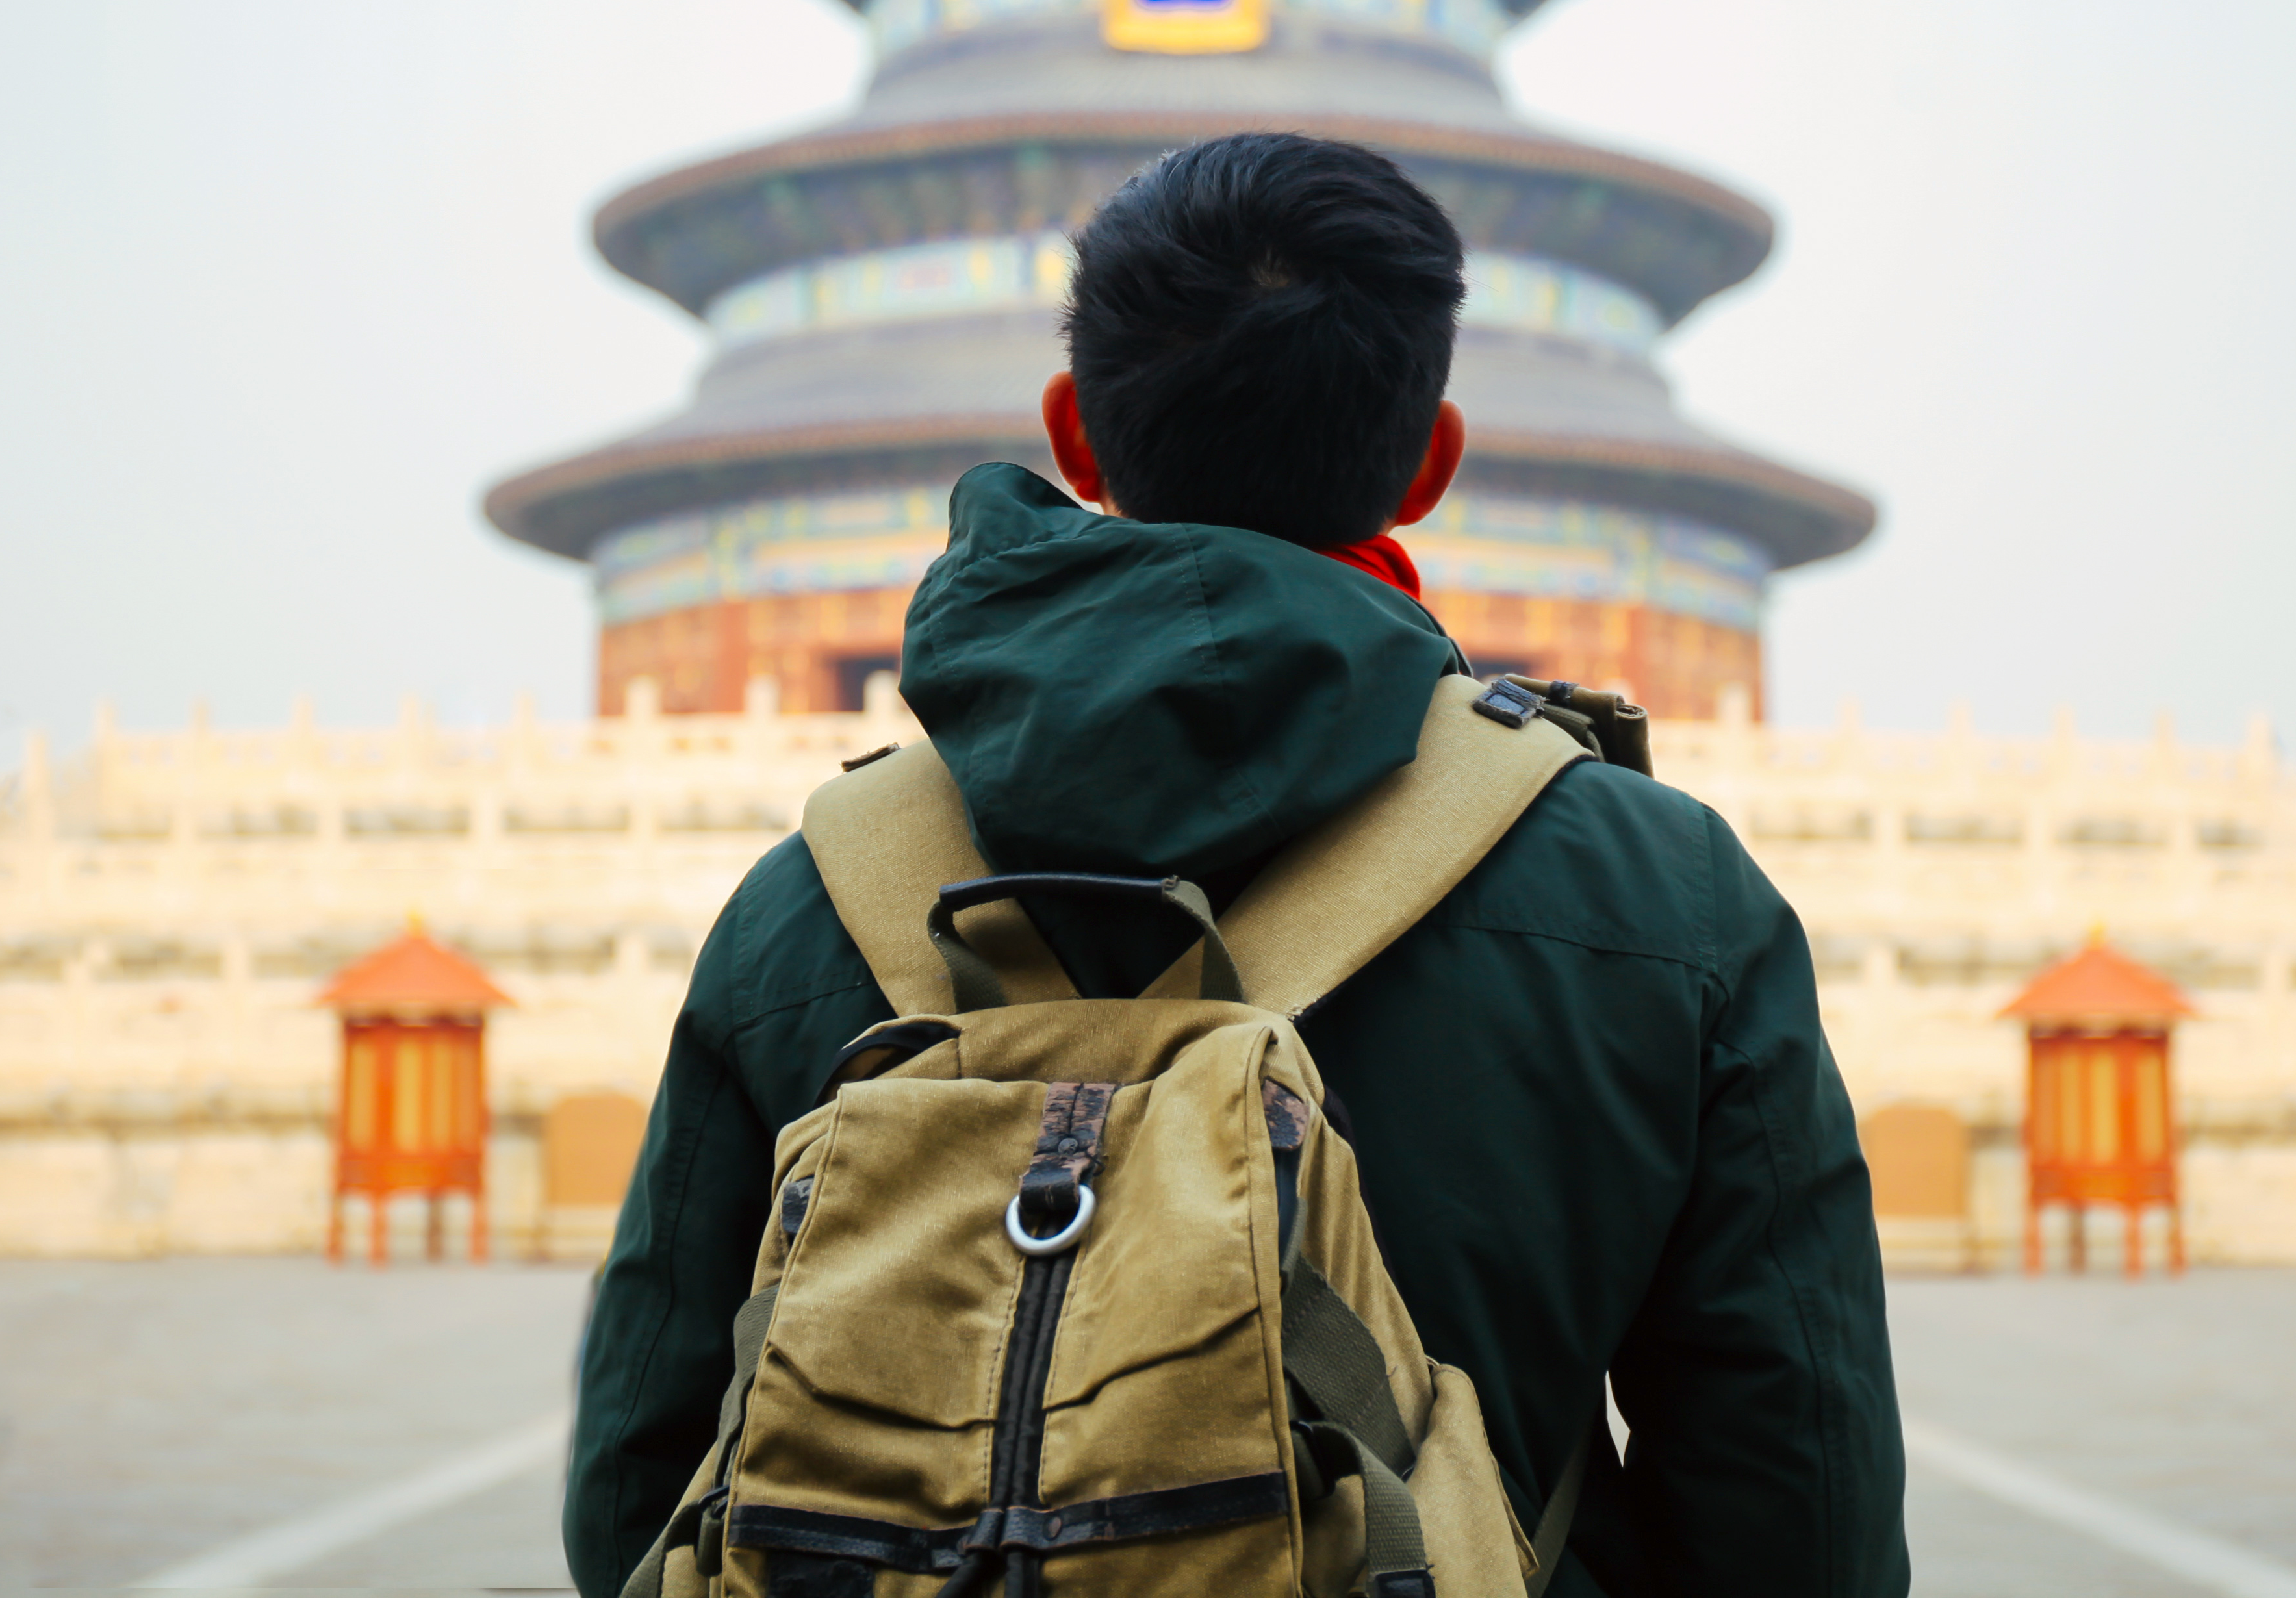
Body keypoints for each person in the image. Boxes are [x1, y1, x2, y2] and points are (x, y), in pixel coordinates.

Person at [564, 131, 1908, 1598]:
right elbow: (1800, 1501)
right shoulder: (1661, 892)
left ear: (1075, 433)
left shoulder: (810, 897)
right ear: (1426, 461)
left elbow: (644, 1479)